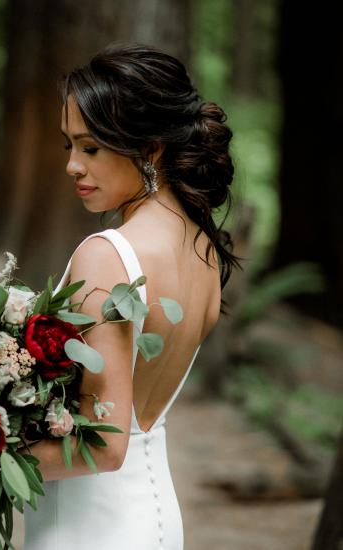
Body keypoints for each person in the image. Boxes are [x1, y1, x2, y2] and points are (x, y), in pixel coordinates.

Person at [21, 42, 242, 550]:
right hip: (155, 516)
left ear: (151, 148)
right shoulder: (203, 251)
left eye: (91, 148)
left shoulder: (109, 256)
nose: (73, 166)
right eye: (68, 146)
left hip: (87, 528)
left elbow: (104, 446)